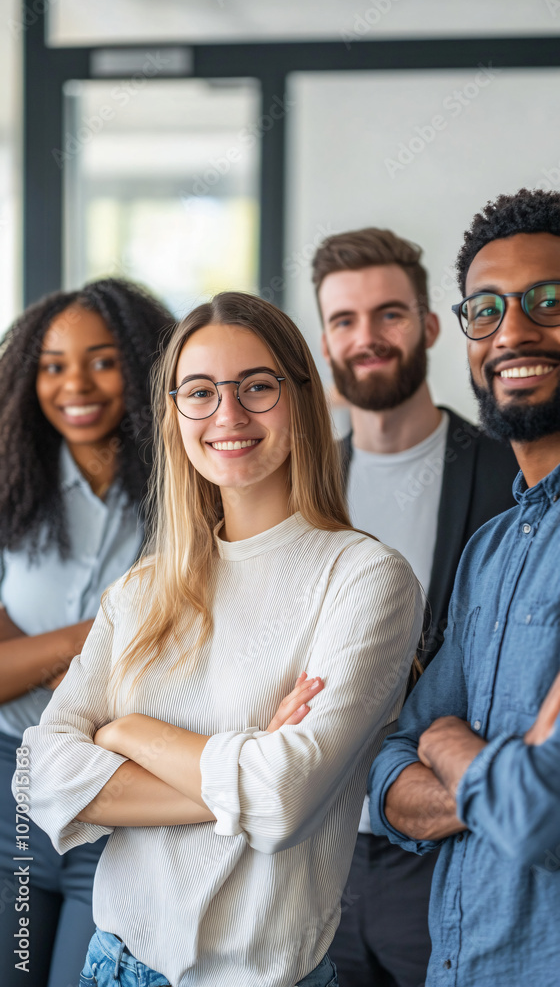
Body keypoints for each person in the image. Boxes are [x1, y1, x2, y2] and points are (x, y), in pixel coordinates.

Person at [20, 292, 423, 987]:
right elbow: (44, 773)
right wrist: (243, 775)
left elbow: (285, 798)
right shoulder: (143, 588)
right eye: (200, 392)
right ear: (174, 416)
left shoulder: (365, 578)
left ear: (300, 399)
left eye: (257, 387)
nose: (228, 416)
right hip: (113, 962)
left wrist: (126, 732)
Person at [311, 227, 518, 987]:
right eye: (344, 320)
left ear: (431, 326)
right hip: (318, 847)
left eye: (390, 314)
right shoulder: (305, 488)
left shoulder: (509, 475)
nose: (368, 338)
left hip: (448, 848)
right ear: (326, 340)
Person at [369, 188, 560, 985]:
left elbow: (543, 819)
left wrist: (450, 746)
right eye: (486, 309)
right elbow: (386, 766)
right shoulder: (490, 550)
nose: (513, 331)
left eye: (548, 301)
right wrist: (496, 773)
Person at [0, 278, 173, 987]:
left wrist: (35, 653)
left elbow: (177, 663)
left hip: (120, 808)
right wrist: (103, 635)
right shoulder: (10, 492)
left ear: (141, 365)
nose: (75, 382)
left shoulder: (185, 492)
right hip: (11, 802)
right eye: (52, 363)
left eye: (102, 360)